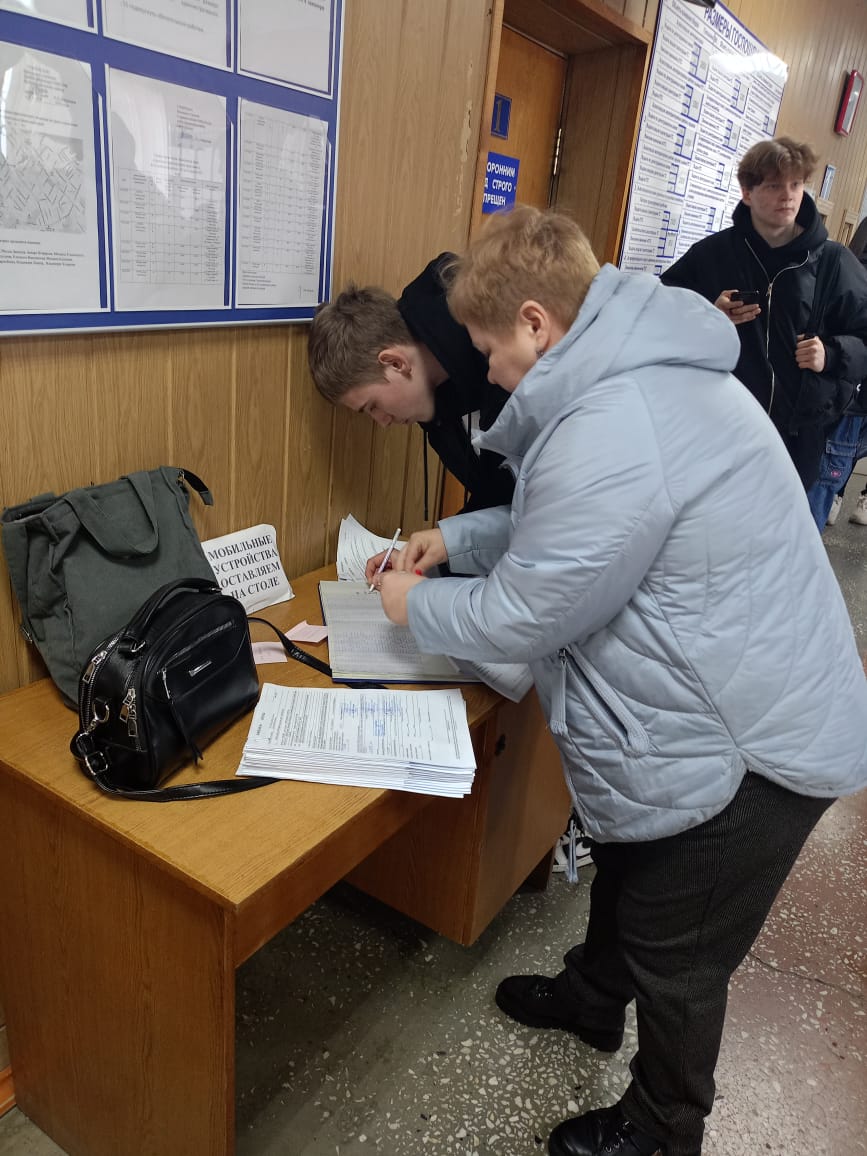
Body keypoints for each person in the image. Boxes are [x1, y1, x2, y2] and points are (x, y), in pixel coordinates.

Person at [368, 205, 867, 1156]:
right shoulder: (627, 381)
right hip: (728, 701)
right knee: (636, 867)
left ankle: (662, 1127)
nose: (488, 373)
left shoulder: (612, 416)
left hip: (748, 745)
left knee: (679, 956)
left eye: (489, 349)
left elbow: (530, 611)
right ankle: (594, 997)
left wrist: (412, 606)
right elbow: (574, 525)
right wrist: (456, 538)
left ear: (533, 323)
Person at [660, 137, 867, 530]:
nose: (787, 196)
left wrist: (832, 354)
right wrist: (707, 313)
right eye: (773, 185)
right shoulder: (713, 254)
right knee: (714, 537)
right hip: (719, 434)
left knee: (783, 544)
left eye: (796, 184)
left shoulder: (833, 263)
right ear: (747, 192)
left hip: (798, 442)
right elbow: (659, 314)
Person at [307, 254, 515, 516]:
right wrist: (449, 537)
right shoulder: (436, 407)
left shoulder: (508, 365)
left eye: (372, 406)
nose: (382, 422)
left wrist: (451, 536)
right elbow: (499, 498)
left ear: (395, 363)